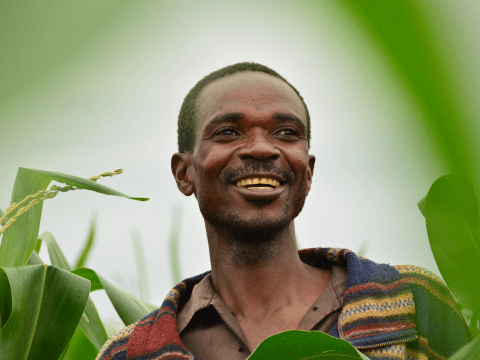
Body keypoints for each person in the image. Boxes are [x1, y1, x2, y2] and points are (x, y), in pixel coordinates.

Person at [95, 62, 471, 360]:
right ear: (184, 173)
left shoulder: (413, 303)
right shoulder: (128, 354)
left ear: (307, 173)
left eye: (286, 133)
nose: (261, 148)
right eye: (228, 132)